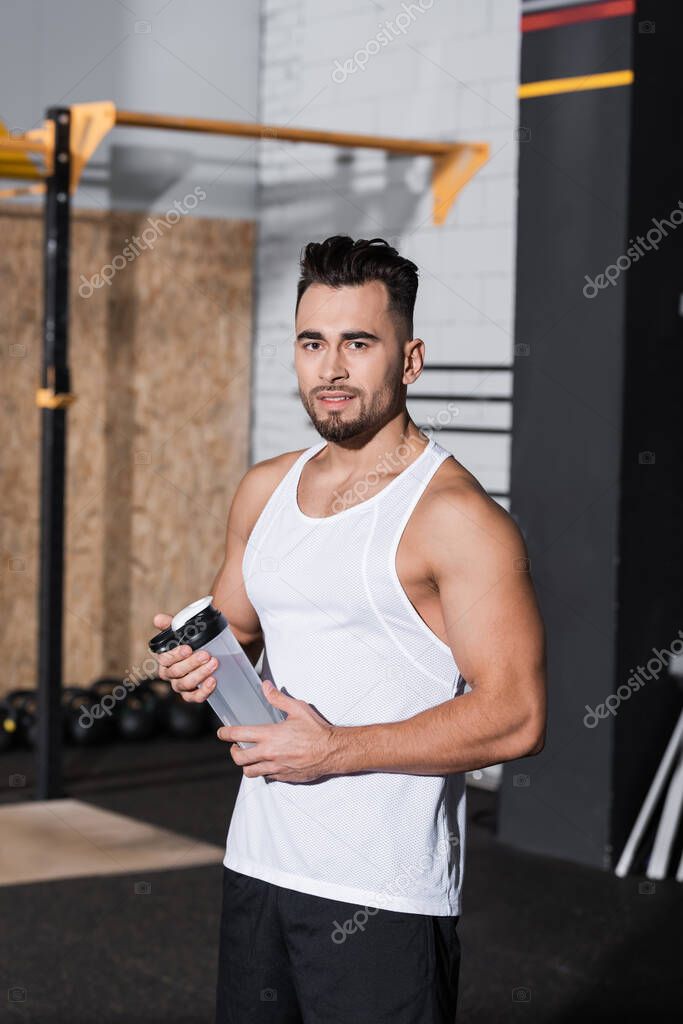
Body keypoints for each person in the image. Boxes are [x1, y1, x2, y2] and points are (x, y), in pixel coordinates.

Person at [153, 235, 547, 1023]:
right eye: (312, 343)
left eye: (358, 343)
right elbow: (237, 627)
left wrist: (334, 748)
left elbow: (516, 716)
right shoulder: (264, 489)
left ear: (409, 359)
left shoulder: (455, 520)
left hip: (381, 894)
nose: (330, 369)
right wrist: (197, 661)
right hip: (259, 865)